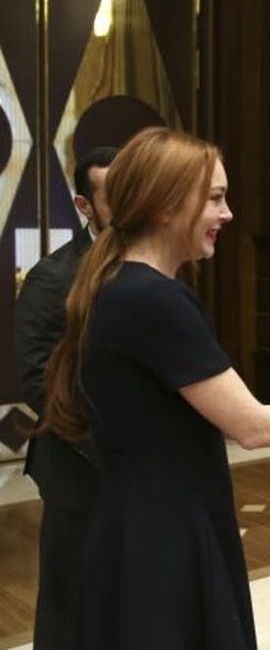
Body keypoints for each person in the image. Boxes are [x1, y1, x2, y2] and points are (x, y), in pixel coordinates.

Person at [41, 127, 270, 649]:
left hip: (137, 522)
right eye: (216, 198)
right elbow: (250, 426)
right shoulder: (154, 300)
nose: (228, 215)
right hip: (166, 533)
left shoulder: (120, 283)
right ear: (166, 204)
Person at [14, 146, 116, 650]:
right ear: (84, 206)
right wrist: (105, 444)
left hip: (140, 466)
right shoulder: (51, 278)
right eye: (112, 194)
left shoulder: (157, 264)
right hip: (77, 462)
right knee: (69, 601)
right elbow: (36, 378)